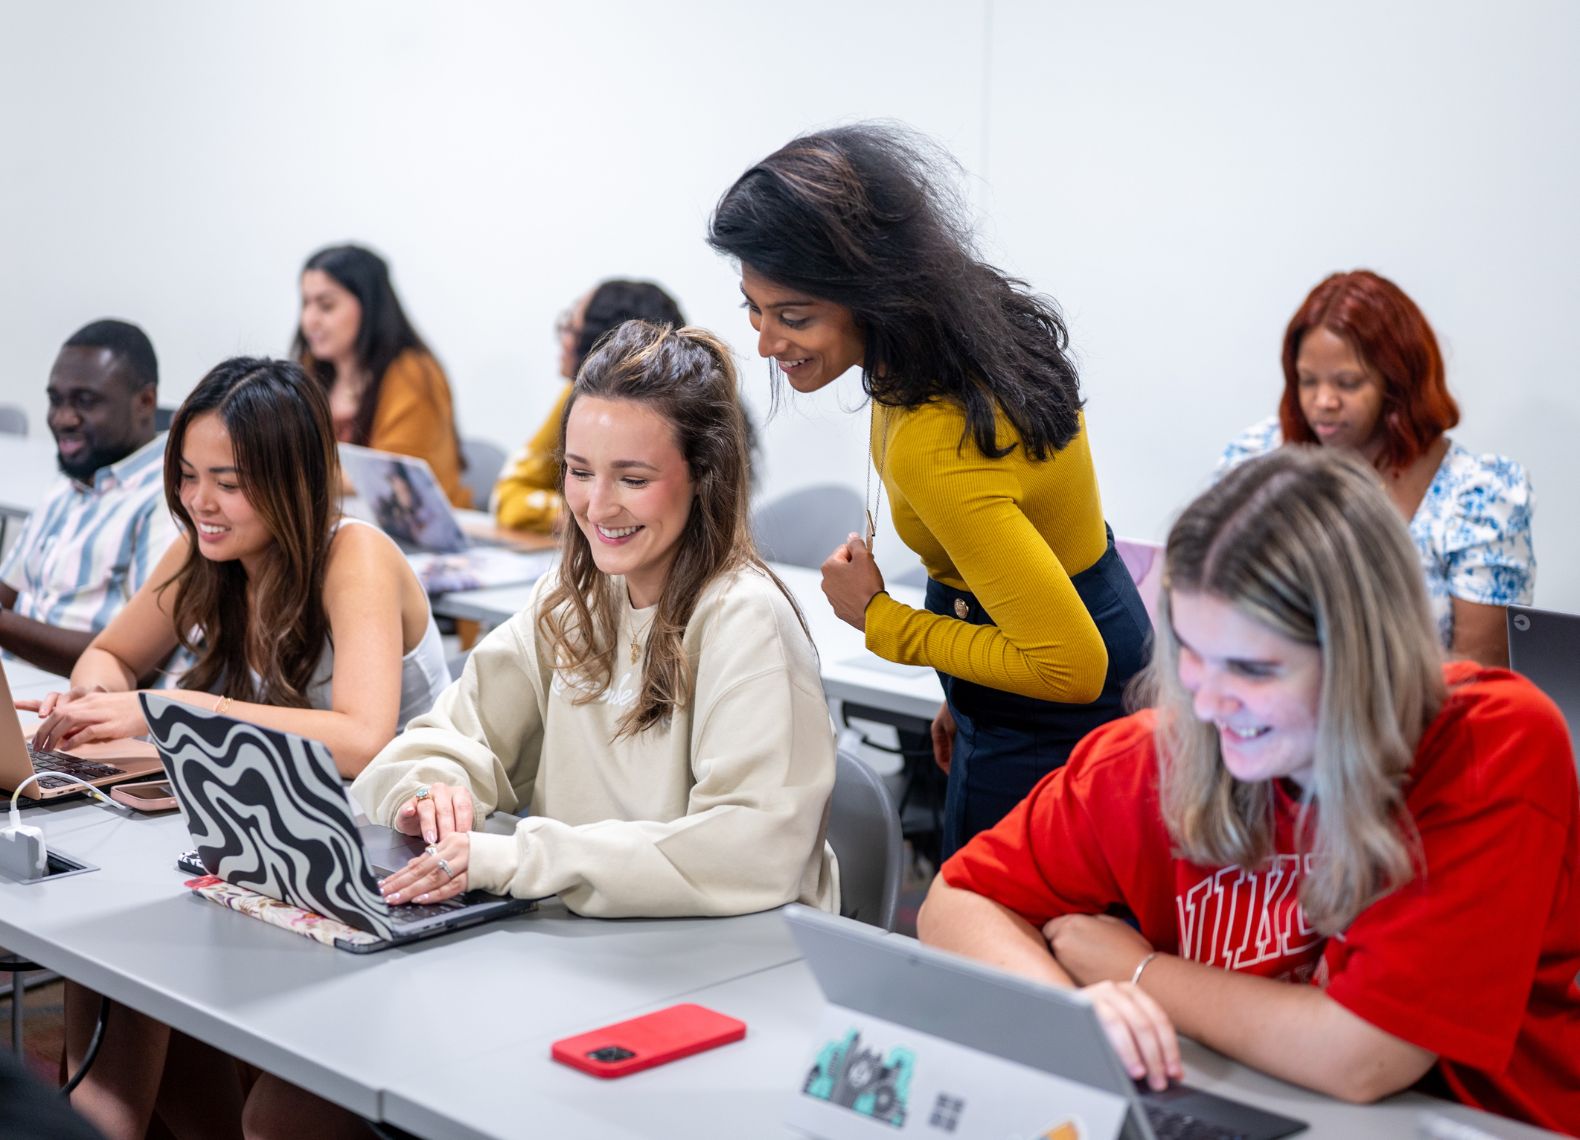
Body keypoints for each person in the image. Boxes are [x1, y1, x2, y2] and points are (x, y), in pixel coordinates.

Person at [918, 447, 1578, 1135]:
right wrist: (1077, 1014)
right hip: (1247, 1101)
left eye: (1255, 669)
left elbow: (1363, 1058)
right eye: (1192, 656)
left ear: (1363, 656)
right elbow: (956, 901)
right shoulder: (1159, 749)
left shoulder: (1494, 742)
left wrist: (1137, 973)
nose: (1209, 704)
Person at [29, 357, 450, 1140]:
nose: (199, 503)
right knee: (122, 959)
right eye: (187, 476)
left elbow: (362, 740)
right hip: (273, 848)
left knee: (150, 987)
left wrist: (167, 709)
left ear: (292, 479)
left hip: (385, 861)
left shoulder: (353, 554)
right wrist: (94, 702)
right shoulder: (205, 547)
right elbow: (109, 655)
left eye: (227, 479)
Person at [708, 123, 1150, 858]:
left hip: (1058, 711)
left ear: (869, 294)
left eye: (794, 317)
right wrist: (963, 687)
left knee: (992, 943)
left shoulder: (934, 438)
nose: (765, 341)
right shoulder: (961, 324)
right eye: (753, 307)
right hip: (1066, 648)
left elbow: (1070, 667)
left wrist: (882, 620)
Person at [353, 319, 838, 919]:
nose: (597, 505)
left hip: (725, 962)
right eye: (579, 472)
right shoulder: (571, 596)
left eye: (633, 479)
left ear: (705, 477)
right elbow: (441, 741)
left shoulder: (745, 619)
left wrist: (522, 858)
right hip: (594, 947)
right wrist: (427, 791)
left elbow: (751, 850)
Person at [1218, 269, 1533, 667]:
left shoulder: (1479, 498)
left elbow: (1479, 682)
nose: (1323, 401)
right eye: (1307, 381)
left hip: (1421, 723)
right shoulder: (1257, 459)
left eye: (1348, 383)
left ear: (1400, 382)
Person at [0, 319, 174, 676]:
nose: (63, 418)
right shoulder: (72, 479)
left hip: (71, 701)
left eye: (85, 401)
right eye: (55, 400)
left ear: (146, 401)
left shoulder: (168, 496)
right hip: (16, 683)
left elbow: (144, 660)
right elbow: (10, 592)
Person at [491, 278, 686, 534]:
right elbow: (509, 493)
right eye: (581, 473)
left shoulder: (681, 409)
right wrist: (580, 516)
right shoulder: (580, 400)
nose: (564, 340)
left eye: (634, 480)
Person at [294, 243, 471, 507]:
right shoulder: (312, 368)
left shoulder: (413, 374)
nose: (309, 320)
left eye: (326, 306)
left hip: (418, 535)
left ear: (369, 306)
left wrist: (283, 472)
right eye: (306, 304)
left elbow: (392, 480)